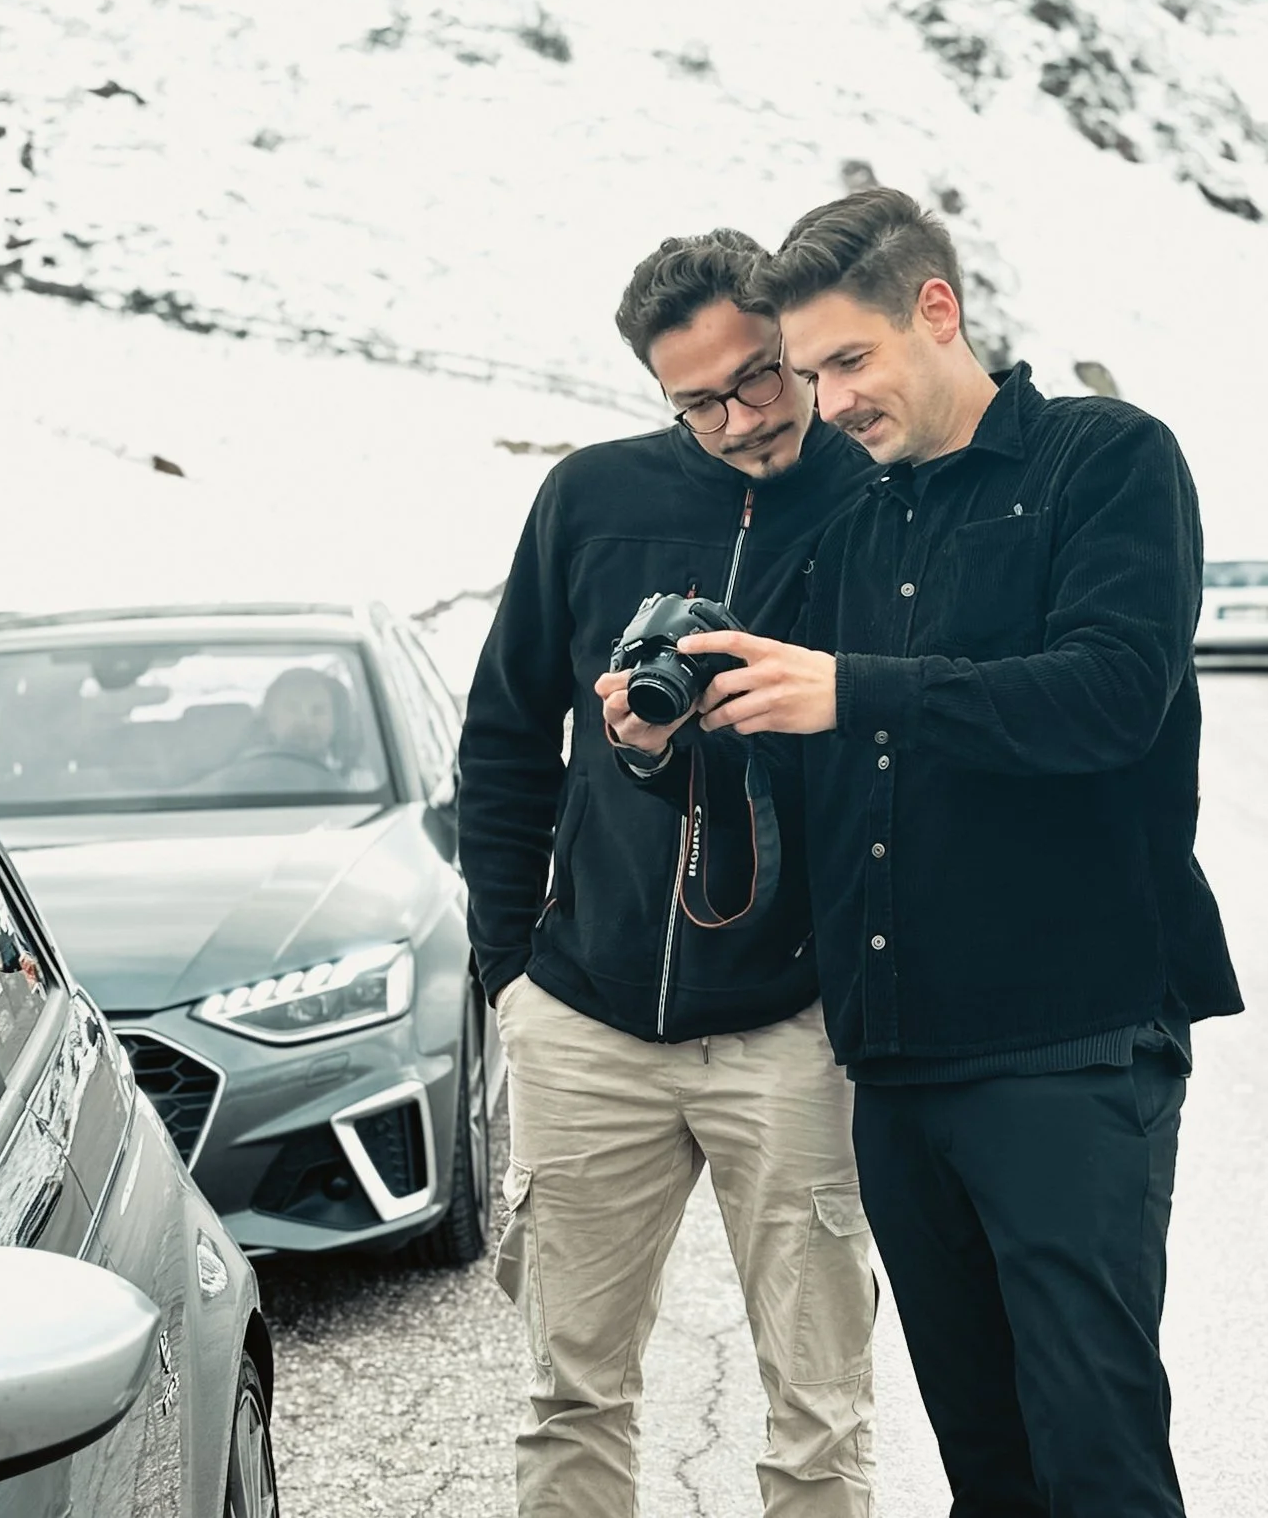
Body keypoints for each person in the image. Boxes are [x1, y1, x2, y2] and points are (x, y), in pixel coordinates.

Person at [602, 187, 1243, 1518]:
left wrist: (857, 689)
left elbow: (1113, 696)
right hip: (897, 1064)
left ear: (936, 310)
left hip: (1072, 1045)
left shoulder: (1107, 459)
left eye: (850, 361)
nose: (828, 403)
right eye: (811, 372)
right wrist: (670, 747)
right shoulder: (851, 531)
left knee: (1096, 1456)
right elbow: (795, 762)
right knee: (987, 1470)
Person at [458, 229, 878, 1518]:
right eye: (700, 401)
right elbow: (506, 733)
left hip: (793, 1023)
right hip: (584, 1016)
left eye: (760, 377)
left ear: (795, 340)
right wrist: (510, 970)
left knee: (818, 1415)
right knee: (569, 1398)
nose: (742, 419)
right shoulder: (590, 498)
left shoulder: (881, 497)